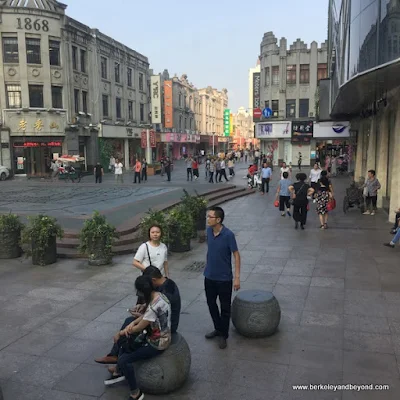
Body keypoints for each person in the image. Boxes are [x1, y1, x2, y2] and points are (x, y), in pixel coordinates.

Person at [95, 266, 181, 366]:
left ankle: (121, 361)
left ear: (153, 280)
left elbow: (154, 314)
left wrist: (123, 331)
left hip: (165, 327)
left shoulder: (167, 292)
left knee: (131, 329)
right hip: (157, 319)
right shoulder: (166, 284)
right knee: (130, 321)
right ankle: (116, 355)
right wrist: (144, 306)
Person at [104, 275, 171, 400]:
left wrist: (120, 333)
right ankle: (119, 370)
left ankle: (136, 393)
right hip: (157, 333)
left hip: (157, 343)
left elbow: (140, 326)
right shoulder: (160, 296)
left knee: (125, 357)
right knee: (126, 341)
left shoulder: (152, 306)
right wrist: (131, 324)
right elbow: (147, 317)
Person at [204, 206, 241, 349]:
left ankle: (223, 335)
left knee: (225, 308)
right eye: (207, 217)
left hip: (224, 278)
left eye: (210, 217)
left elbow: (236, 255)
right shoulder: (208, 231)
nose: (208, 219)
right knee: (211, 304)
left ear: (218, 219)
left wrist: (237, 277)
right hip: (209, 276)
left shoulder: (228, 235)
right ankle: (218, 328)